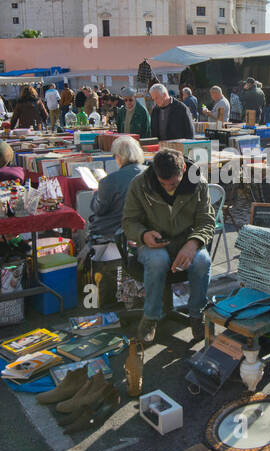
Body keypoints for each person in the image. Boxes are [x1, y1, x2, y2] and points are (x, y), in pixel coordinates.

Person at [121, 147, 214, 344]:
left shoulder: (199, 183)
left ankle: (197, 314)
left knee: (202, 261)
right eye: (163, 184)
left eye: (173, 183)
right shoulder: (140, 184)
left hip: (187, 240)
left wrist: (193, 243)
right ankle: (151, 317)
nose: (168, 188)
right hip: (153, 243)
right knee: (157, 260)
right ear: (155, 174)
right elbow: (129, 221)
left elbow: (206, 221)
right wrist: (144, 234)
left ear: (182, 171)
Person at [87, 135, 143, 240]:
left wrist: (96, 194)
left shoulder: (110, 181)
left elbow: (99, 209)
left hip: (114, 229)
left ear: (119, 156)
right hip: (143, 227)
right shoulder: (150, 173)